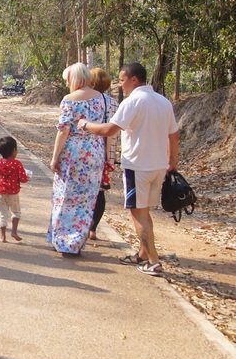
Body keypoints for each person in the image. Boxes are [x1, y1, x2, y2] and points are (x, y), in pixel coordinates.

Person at [79, 62, 179, 276]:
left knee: (137, 214)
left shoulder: (133, 101)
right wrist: (173, 161)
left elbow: (109, 130)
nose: (120, 84)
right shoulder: (163, 102)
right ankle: (142, 255)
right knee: (144, 212)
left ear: (134, 79)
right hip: (159, 166)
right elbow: (174, 134)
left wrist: (85, 125)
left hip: (138, 166)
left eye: (122, 79)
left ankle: (154, 261)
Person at [47, 62, 105, 256]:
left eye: (67, 80)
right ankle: (77, 241)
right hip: (95, 151)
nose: (66, 84)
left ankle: (64, 241)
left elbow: (63, 131)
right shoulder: (102, 99)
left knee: (65, 197)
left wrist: (55, 157)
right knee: (86, 199)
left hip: (73, 153)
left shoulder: (69, 100)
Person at [87, 67, 120, 240]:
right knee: (100, 192)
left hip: (89, 152)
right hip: (107, 154)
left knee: (86, 190)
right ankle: (93, 229)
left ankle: (84, 227)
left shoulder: (87, 100)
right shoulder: (114, 103)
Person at [0, 136, 29, 242]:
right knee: (16, 212)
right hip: (13, 193)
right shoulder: (17, 164)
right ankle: (14, 231)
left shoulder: (0, 163)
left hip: (1, 192)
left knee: (2, 215)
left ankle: (2, 236)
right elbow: (23, 179)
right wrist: (27, 177)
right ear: (14, 151)